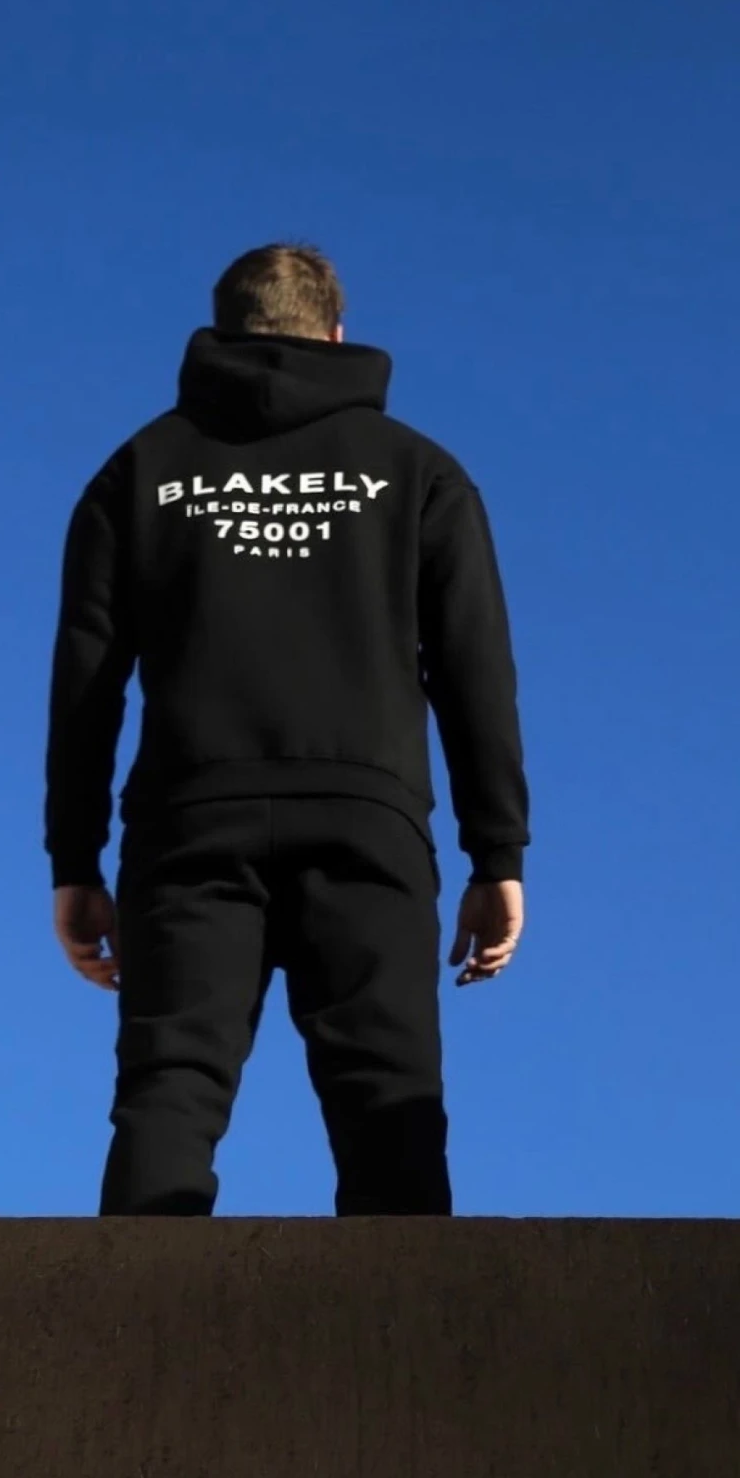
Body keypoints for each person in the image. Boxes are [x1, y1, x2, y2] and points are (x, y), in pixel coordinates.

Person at [44, 244, 529, 1216]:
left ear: (223, 332)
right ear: (336, 334)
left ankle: (133, 1314)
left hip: (189, 823)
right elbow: (474, 667)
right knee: (389, 1099)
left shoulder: (140, 470)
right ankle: (402, 1318)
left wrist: (75, 860)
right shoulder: (418, 472)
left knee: (170, 1088)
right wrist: (496, 853)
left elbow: (86, 681)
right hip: (366, 819)